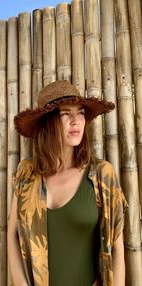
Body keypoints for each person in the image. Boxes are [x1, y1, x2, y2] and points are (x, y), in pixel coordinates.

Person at [8, 80, 128, 286]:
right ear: (48, 122)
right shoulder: (26, 173)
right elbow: (12, 233)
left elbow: (117, 249)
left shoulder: (101, 175)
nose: (76, 121)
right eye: (66, 114)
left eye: (80, 113)